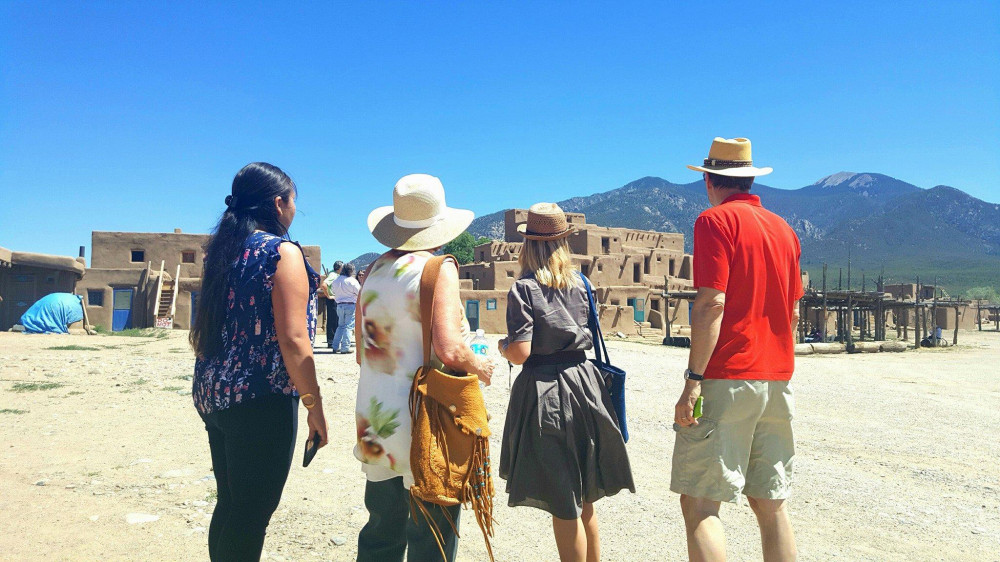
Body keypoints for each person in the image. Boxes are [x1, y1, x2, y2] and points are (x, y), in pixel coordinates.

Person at [189, 162, 329, 562]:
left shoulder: (224, 250)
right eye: (293, 201)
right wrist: (314, 407)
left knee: (232, 503)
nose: (294, 210)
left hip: (214, 392)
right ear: (278, 203)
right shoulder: (280, 252)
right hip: (260, 397)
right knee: (251, 515)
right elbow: (294, 338)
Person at [672, 138, 803, 562]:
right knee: (771, 503)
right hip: (777, 377)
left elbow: (712, 302)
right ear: (749, 178)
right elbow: (795, 314)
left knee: (701, 503)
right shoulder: (785, 230)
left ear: (710, 180)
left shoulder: (715, 221)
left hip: (729, 374)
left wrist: (693, 381)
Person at [354, 173, 494, 562]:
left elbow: (364, 349)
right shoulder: (437, 268)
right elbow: (449, 349)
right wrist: (479, 363)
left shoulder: (374, 271)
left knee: (381, 531)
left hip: (377, 419)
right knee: (431, 536)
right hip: (424, 421)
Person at [498, 202, 635, 562]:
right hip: (586, 385)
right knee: (585, 494)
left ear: (528, 245)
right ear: (563, 244)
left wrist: (502, 347)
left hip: (547, 392)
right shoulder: (583, 284)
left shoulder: (524, 289)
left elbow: (521, 352)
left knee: (564, 501)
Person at [328, 262, 360, 354]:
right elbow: (359, 292)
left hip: (339, 305)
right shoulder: (352, 281)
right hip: (350, 304)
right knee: (348, 327)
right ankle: (345, 347)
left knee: (340, 326)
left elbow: (333, 291)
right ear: (351, 271)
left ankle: (335, 346)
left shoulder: (336, 280)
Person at [322, 261, 344, 349]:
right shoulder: (333, 275)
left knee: (336, 320)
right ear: (339, 268)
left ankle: (334, 341)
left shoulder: (337, 275)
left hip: (336, 299)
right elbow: (324, 284)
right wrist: (329, 296)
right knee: (332, 320)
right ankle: (331, 341)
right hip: (332, 300)